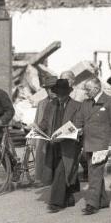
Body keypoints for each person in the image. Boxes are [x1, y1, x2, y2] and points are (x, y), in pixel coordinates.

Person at [39, 79, 83, 213]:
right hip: (53, 144)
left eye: (63, 94)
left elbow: (77, 126)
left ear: (68, 93)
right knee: (62, 170)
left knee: (62, 170)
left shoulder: (77, 106)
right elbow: (45, 122)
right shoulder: (51, 105)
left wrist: (62, 136)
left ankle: (56, 203)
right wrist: (36, 129)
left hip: (69, 144)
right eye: (58, 94)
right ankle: (69, 196)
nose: (60, 97)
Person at [79, 78, 111, 215]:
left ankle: (92, 204)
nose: (86, 92)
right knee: (94, 172)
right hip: (88, 143)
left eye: (88, 89)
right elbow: (79, 121)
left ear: (96, 89)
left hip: (102, 144)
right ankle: (103, 200)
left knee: (94, 173)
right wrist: (77, 130)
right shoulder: (85, 103)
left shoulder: (110, 101)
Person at [33, 75, 57, 185]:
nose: (50, 91)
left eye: (53, 88)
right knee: (42, 154)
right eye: (48, 89)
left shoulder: (63, 102)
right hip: (43, 135)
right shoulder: (42, 103)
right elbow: (38, 120)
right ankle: (42, 178)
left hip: (56, 136)